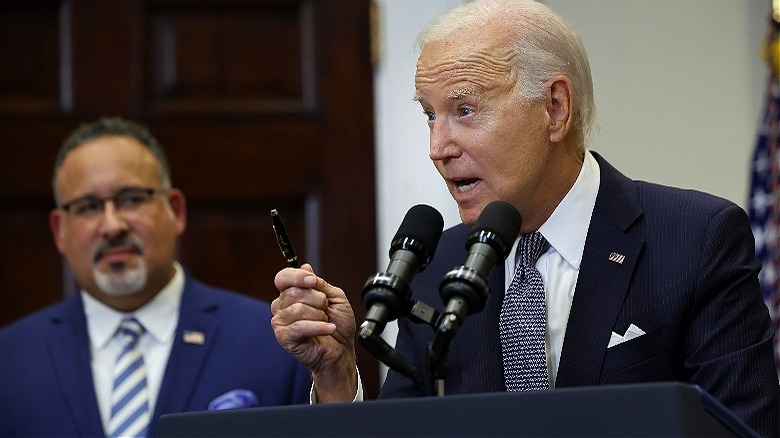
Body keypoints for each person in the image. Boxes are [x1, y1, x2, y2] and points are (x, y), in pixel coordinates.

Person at [271, 0, 780, 436]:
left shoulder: (695, 239)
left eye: (465, 110)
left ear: (555, 108)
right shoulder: (436, 267)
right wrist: (337, 377)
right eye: (430, 114)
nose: (437, 148)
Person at [0, 117, 312, 437]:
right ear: (59, 231)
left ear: (175, 211)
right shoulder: (8, 360)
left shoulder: (274, 339)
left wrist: (339, 378)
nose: (112, 226)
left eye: (132, 199)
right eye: (88, 206)